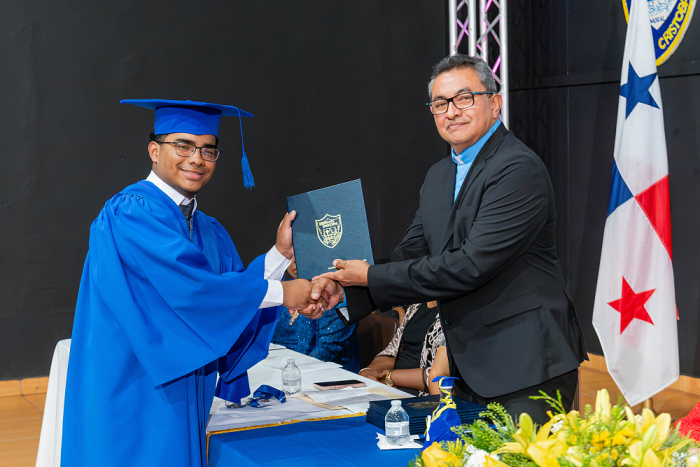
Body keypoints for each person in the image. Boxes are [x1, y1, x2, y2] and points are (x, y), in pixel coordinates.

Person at [61, 99, 343, 467]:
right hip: (134, 382)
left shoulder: (208, 228)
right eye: (183, 146)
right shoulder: (130, 212)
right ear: (154, 151)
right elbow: (193, 291)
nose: (196, 159)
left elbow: (228, 294)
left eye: (208, 150)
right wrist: (285, 292)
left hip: (182, 384)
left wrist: (279, 255)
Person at [317, 55, 587, 423]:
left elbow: (471, 265)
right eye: (440, 103)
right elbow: (414, 250)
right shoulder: (440, 174)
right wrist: (346, 289)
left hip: (525, 364)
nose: (452, 112)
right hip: (468, 365)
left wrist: (369, 276)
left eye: (464, 98)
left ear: (495, 103)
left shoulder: (517, 168)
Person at [272, 256, 360, 372]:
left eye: (299, 252)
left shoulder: (330, 293)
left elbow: (326, 351)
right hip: (282, 368)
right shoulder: (281, 289)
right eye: (291, 254)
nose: (295, 259)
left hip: (327, 375)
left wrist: (289, 371)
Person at [359, 302, 445, 396]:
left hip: (420, 394)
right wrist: (368, 372)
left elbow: (439, 374)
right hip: (391, 386)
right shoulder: (417, 305)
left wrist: (389, 377)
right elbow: (391, 352)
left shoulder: (452, 315)